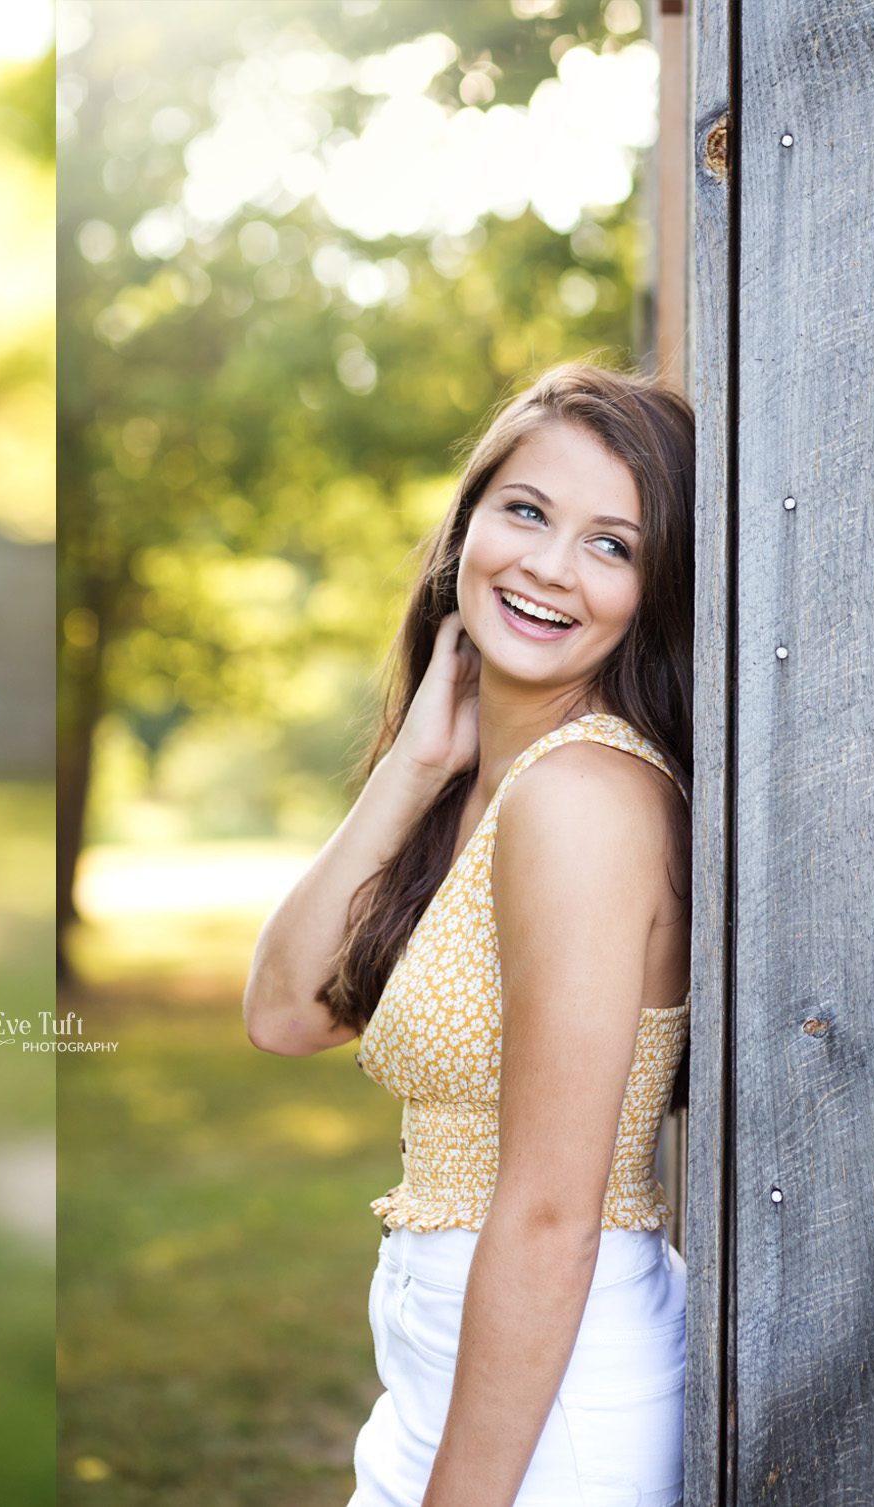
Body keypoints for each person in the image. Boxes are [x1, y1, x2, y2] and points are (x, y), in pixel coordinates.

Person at [244, 363, 694, 1507]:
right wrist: (415, 767)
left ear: (655, 590)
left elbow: (550, 1214)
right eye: (527, 511)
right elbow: (284, 1010)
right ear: (466, 528)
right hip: (454, 1382)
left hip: (552, 1406)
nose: (548, 566)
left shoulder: (582, 799)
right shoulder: (495, 788)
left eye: (612, 545)